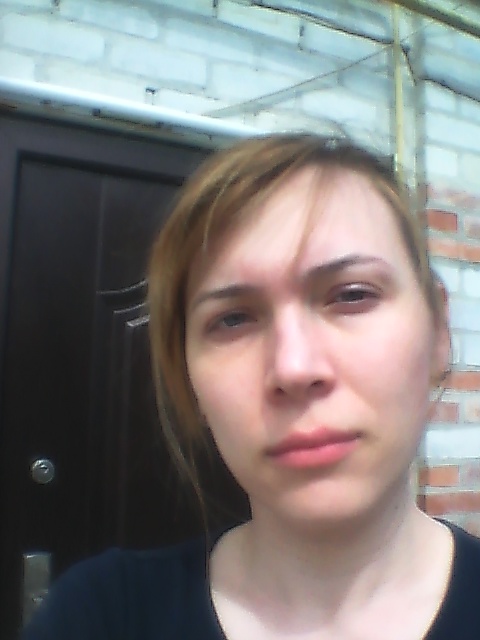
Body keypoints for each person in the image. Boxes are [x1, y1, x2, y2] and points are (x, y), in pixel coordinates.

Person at [23, 134, 480, 640]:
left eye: (351, 295)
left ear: (439, 331)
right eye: (234, 319)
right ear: (188, 378)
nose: (293, 368)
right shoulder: (99, 615)